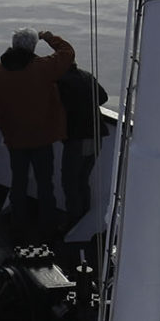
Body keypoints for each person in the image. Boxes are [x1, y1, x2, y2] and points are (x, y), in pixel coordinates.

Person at [0, 28, 75, 240]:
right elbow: (67, 54)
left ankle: (18, 224)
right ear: (33, 46)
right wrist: (50, 38)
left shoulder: (1, 69)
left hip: (14, 137)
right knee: (45, 183)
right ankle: (48, 225)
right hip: (42, 137)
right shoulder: (43, 68)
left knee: (18, 182)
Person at [57, 61, 109, 229]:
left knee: (70, 181)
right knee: (82, 179)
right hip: (96, 135)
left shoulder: (61, 82)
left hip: (77, 139)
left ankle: (74, 220)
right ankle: (84, 219)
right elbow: (103, 97)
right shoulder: (87, 76)